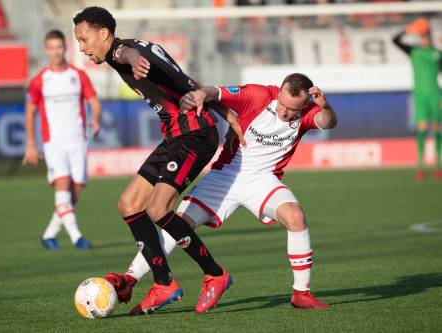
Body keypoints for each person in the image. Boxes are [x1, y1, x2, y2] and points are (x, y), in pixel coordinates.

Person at [107, 73, 336, 310]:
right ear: (280, 90)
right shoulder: (259, 95)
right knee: (174, 224)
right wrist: (199, 94)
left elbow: (327, 122)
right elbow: (215, 92)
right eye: (283, 105)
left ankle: (302, 294)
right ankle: (131, 278)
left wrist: (326, 106)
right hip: (225, 175)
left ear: (306, 103)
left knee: (295, 217)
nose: (285, 112)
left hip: (263, 180)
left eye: (292, 110)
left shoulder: (309, 111)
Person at [73, 6, 245, 315]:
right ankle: (164, 283)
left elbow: (123, 54)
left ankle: (215, 273)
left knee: (158, 208)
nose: (82, 48)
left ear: (103, 33)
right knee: (129, 204)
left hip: (194, 134)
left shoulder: (123, 51)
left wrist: (132, 60)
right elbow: (185, 81)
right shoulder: (142, 46)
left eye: (84, 40)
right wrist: (227, 113)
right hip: (177, 136)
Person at [22, 29, 102, 250]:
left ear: (65, 48)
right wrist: (31, 143)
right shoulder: (39, 81)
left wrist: (96, 119)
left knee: (74, 192)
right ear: (46, 50)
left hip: (78, 140)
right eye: (51, 48)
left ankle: (49, 234)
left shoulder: (78, 75)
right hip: (53, 141)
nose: (56, 52)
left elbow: (94, 103)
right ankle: (77, 237)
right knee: (63, 183)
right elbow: (29, 112)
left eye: (59, 47)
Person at [393, 18, 442, 181]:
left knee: (436, 128)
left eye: (426, 35)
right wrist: (409, 29)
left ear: (430, 37)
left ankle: (438, 166)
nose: (424, 38)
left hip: (436, 94)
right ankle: (420, 166)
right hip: (420, 95)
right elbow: (395, 40)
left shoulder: (437, 54)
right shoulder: (414, 51)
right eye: (422, 35)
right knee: (421, 128)